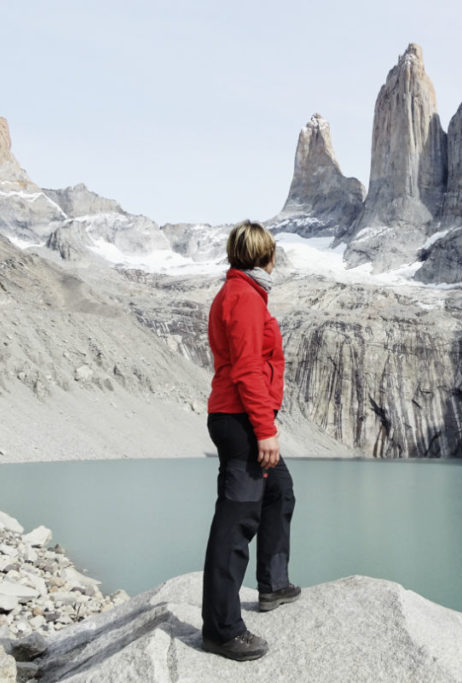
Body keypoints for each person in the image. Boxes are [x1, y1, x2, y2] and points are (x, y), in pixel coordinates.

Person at [200, 220, 299, 661]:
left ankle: (274, 584)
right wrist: (265, 430)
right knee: (237, 518)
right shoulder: (242, 297)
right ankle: (221, 630)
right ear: (267, 256)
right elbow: (246, 369)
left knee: (279, 492)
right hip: (241, 420)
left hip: (240, 416)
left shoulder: (245, 292)